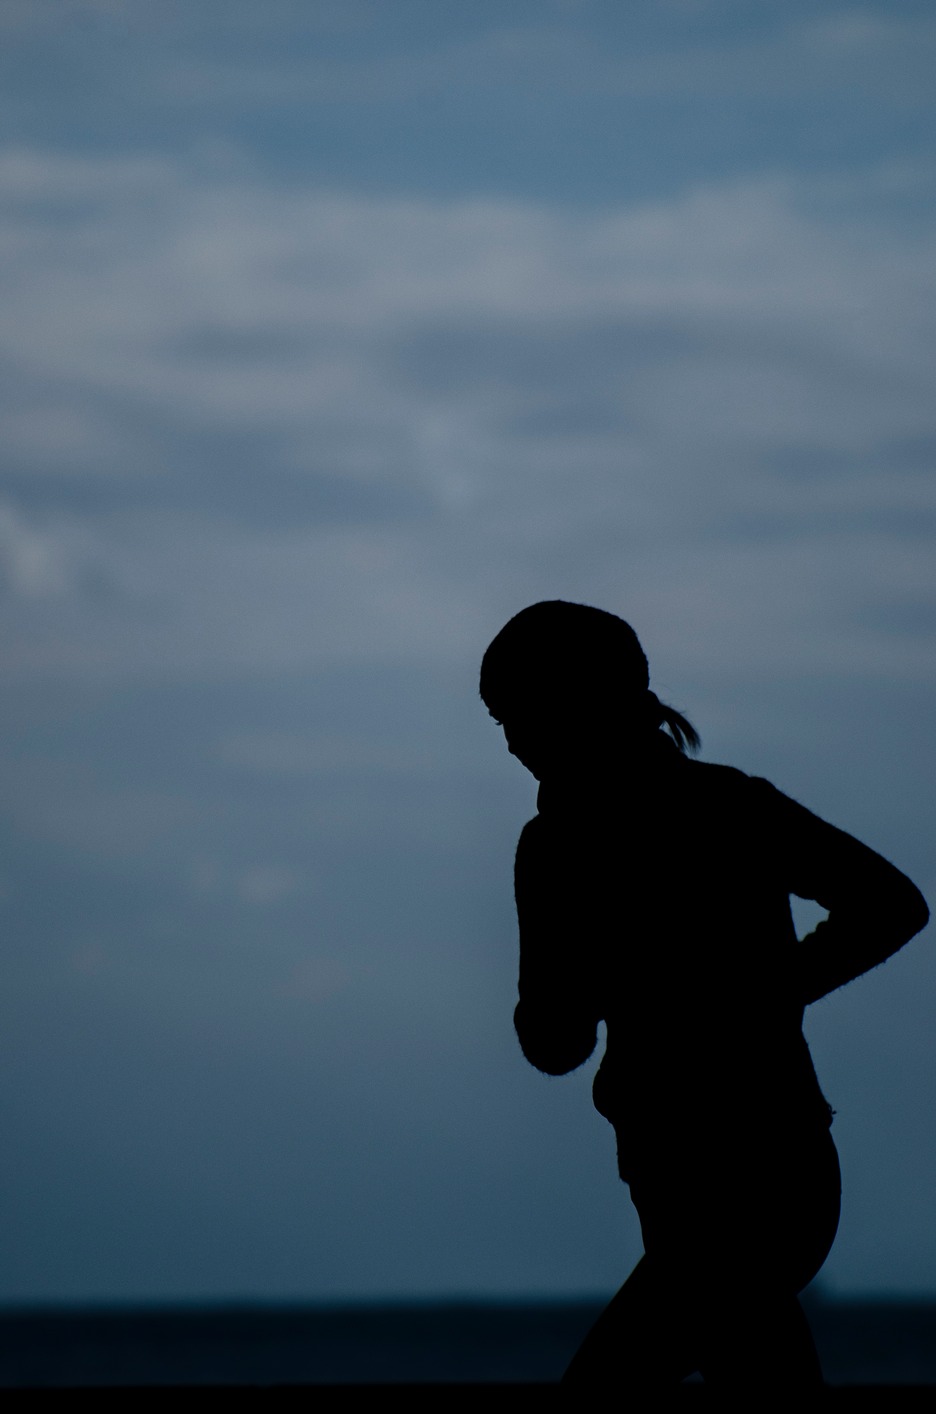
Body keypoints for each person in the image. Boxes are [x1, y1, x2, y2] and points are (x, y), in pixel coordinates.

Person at [480, 600, 929, 1393]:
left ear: (587, 703)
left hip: (763, 1183)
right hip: (684, 1186)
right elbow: (560, 1039)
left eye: (524, 713)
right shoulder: (564, 846)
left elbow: (891, 904)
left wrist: (758, 997)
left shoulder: (714, 811)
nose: (514, 741)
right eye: (502, 721)